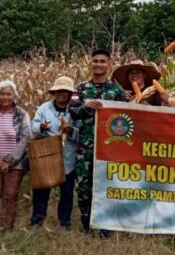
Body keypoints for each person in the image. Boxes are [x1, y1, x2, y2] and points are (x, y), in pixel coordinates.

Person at [68, 48, 127, 233]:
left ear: (109, 65)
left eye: (103, 61)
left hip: (109, 149)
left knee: (106, 186)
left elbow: (125, 118)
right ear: (90, 63)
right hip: (85, 146)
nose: (99, 64)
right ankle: (86, 225)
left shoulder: (116, 91)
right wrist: (85, 106)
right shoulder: (81, 89)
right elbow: (73, 112)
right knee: (84, 188)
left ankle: (104, 227)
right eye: (95, 61)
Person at [30, 76, 80, 230]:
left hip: (67, 157)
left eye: (65, 91)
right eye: (58, 91)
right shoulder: (44, 108)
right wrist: (42, 127)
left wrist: (70, 130)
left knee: (66, 192)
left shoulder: (75, 111)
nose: (61, 94)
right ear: (54, 93)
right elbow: (33, 125)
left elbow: (81, 132)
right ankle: (37, 220)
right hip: (46, 155)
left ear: (70, 94)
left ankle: (64, 222)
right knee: (41, 190)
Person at [0, 80, 31, 236]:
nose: (5, 97)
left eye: (8, 94)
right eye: (2, 94)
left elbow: (25, 138)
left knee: (10, 197)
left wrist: (9, 161)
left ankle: (7, 231)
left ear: (14, 96)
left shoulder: (21, 114)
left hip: (14, 165)